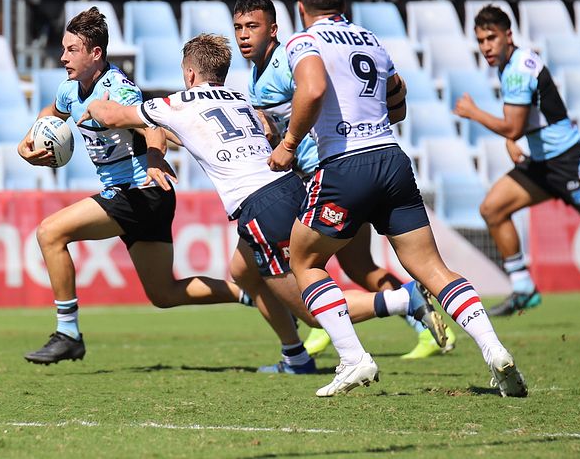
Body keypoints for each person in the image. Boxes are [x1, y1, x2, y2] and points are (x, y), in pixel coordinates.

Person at [81, 32, 445, 386]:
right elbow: (257, 130)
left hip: (262, 207)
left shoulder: (178, 103)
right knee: (243, 272)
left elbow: (111, 116)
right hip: (290, 188)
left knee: (312, 310)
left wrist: (95, 104)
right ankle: (296, 357)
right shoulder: (240, 100)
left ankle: (401, 299)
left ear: (189, 74)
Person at [268, 0, 527, 397]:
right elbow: (398, 101)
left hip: (345, 165)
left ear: (300, 7)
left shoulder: (304, 42)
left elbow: (311, 90)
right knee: (432, 268)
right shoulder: (369, 39)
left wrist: (289, 143)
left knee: (305, 262)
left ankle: (353, 358)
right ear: (342, 4)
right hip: (391, 160)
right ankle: (493, 347)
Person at [17, 7, 253, 365]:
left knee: (50, 233)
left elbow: (152, 126)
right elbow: (51, 113)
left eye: (72, 50)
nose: (63, 57)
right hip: (143, 196)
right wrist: (28, 143)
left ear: (95, 53)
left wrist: (155, 157)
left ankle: (68, 334)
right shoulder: (69, 90)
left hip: (140, 190)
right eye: (63, 49)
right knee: (164, 294)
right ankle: (254, 295)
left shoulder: (119, 90)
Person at [231, 0, 455, 360]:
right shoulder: (257, 76)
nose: (244, 35)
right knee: (357, 265)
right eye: (239, 27)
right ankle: (418, 320)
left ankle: (323, 325)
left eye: (252, 26)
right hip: (330, 174)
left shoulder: (287, 62)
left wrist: (288, 142)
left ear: (273, 29)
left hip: (327, 175)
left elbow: (315, 96)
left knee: (298, 263)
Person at [454, 5, 580, 316]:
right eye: (481, 40)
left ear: (508, 36)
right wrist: (511, 140)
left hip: (571, 161)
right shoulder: (508, 65)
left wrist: (475, 114)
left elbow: (513, 125)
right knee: (493, 209)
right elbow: (525, 119)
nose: (486, 47)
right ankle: (523, 287)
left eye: (491, 38)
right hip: (541, 164)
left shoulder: (518, 70)